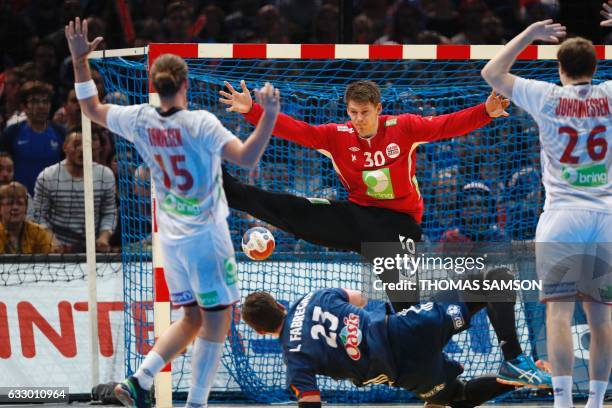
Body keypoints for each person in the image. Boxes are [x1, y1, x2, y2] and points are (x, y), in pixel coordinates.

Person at [220, 79, 550, 387]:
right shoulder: (338, 136)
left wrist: (486, 111)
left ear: (379, 109)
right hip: (356, 217)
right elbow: (296, 130)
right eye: (353, 113)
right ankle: (221, 184)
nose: (358, 119)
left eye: (364, 113)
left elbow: (445, 125)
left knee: (410, 314)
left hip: (396, 226)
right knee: (293, 209)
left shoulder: (403, 127)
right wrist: (253, 110)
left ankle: (467, 364)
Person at [65, 17, 280, 408]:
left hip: (172, 239)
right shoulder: (201, 123)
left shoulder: (140, 119)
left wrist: (81, 63)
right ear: (185, 84)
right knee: (216, 322)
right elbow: (248, 158)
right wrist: (268, 116)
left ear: (156, 85)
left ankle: (138, 380)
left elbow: (90, 107)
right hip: (206, 238)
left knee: (192, 319)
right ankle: (196, 404)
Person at [481, 16, 611, 408]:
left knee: (557, 315)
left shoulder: (546, 96)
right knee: (602, 318)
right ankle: (597, 402)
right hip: (605, 216)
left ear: (560, 68)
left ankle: (562, 403)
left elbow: (491, 71)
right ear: (595, 66)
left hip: (561, 217)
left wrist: (529, 34)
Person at [242, 287, 519, 408]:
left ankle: (518, 382)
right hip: (403, 332)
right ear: (280, 304)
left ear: (261, 331)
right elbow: (359, 298)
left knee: (456, 398)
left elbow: (310, 401)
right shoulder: (313, 297)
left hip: (403, 373)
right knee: (490, 281)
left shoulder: (293, 357)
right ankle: (515, 361)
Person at [31, 131, 117, 253]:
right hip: (57, 248)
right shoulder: (47, 176)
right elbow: (39, 215)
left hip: (94, 248)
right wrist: (51, 240)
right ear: (65, 147)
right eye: (77, 144)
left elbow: (109, 212)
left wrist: (103, 238)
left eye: (86, 144)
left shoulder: (105, 175)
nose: (82, 149)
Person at [1, 81, 65, 195]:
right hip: (21, 199)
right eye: (35, 101)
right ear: (24, 107)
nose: (41, 106)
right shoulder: (12, 132)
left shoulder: (60, 132)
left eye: (45, 102)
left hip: (53, 198)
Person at [0, 181, 54, 254]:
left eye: (20, 203)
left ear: (26, 208)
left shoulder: (39, 233)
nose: (15, 207)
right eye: (10, 203)